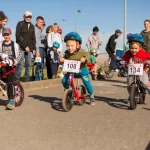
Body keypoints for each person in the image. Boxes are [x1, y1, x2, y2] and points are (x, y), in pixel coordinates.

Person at [60, 32, 95, 105]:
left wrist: (84, 59)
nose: (70, 48)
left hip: (82, 69)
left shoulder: (81, 51)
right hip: (71, 70)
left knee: (87, 82)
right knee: (64, 80)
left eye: (72, 46)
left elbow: (88, 55)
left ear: (78, 45)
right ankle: (68, 91)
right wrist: (62, 59)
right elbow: (65, 57)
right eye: (68, 46)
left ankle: (91, 95)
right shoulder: (67, 52)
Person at [122, 34, 150, 101]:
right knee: (129, 85)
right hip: (132, 72)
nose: (133, 50)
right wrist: (123, 63)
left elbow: (148, 57)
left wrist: (148, 62)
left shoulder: (142, 53)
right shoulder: (128, 53)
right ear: (129, 47)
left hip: (141, 71)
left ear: (140, 48)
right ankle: (131, 96)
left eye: (135, 48)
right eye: (132, 48)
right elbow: (123, 59)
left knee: (145, 83)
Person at [0, 28, 22, 110]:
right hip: (2, 65)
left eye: (7, 34)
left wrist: (16, 61)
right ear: (3, 35)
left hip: (11, 66)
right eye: (5, 35)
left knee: (10, 83)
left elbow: (20, 54)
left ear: (10, 34)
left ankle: (12, 100)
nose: (6, 36)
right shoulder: (1, 44)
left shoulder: (15, 45)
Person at [15, 11, 36, 82]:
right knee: (20, 64)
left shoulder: (32, 26)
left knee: (28, 64)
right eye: (27, 16)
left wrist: (33, 49)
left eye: (29, 17)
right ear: (24, 16)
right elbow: (18, 36)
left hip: (29, 49)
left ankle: (26, 79)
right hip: (21, 47)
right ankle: (16, 79)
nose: (28, 18)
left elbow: (33, 38)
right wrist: (25, 46)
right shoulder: (20, 24)